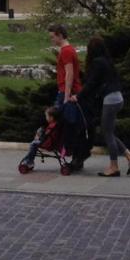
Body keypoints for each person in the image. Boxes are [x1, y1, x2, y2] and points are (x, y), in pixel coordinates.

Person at [80, 35, 130, 177]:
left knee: (106, 133)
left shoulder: (97, 62)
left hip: (110, 100)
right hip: (117, 98)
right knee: (109, 132)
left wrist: (78, 96)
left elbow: (91, 84)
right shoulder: (107, 61)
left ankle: (114, 166)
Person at [48, 23, 89, 171]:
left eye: (53, 37)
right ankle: (76, 157)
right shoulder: (69, 50)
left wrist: (66, 96)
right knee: (72, 126)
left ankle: (71, 154)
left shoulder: (65, 51)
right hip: (69, 92)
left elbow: (69, 73)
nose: (52, 40)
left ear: (59, 35)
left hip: (67, 93)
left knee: (67, 125)